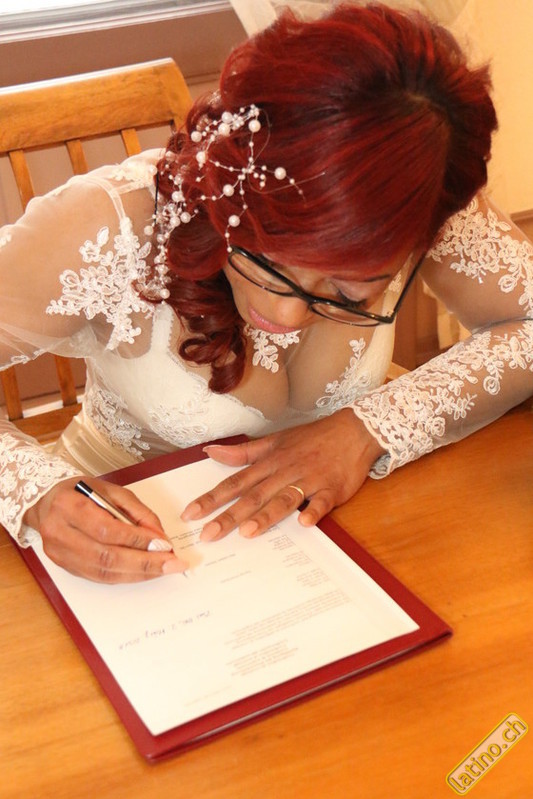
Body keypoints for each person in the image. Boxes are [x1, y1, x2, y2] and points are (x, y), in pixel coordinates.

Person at [1, 3, 532, 583]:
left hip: (351, 527)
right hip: (141, 547)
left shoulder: (412, 202)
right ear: (231, 187)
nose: (287, 313)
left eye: (347, 290)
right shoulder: (105, 226)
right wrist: (36, 494)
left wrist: (368, 427)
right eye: (266, 259)